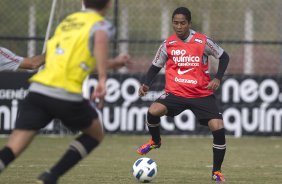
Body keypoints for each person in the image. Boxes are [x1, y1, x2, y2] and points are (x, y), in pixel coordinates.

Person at [0, 0, 113, 183]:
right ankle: (51, 176)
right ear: (108, 4)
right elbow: (99, 39)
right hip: (64, 92)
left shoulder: (67, 22)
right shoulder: (99, 24)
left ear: (82, 1)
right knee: (96, 133)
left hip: (38, 90)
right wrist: (102, 78)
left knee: (12, 148)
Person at [137, 7, 229, 182]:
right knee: (153, 110)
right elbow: (155, 66)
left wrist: (217, 78)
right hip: (176, 92)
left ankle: (216, 172)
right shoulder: (167, 44)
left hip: (201, 93)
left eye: (182, 23)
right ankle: (155, 141)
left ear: (189, 23)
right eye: (175, 23)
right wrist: (146, 84)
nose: (179, 26)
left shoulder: (203, 42)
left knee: (218, 127)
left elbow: (224, 57)